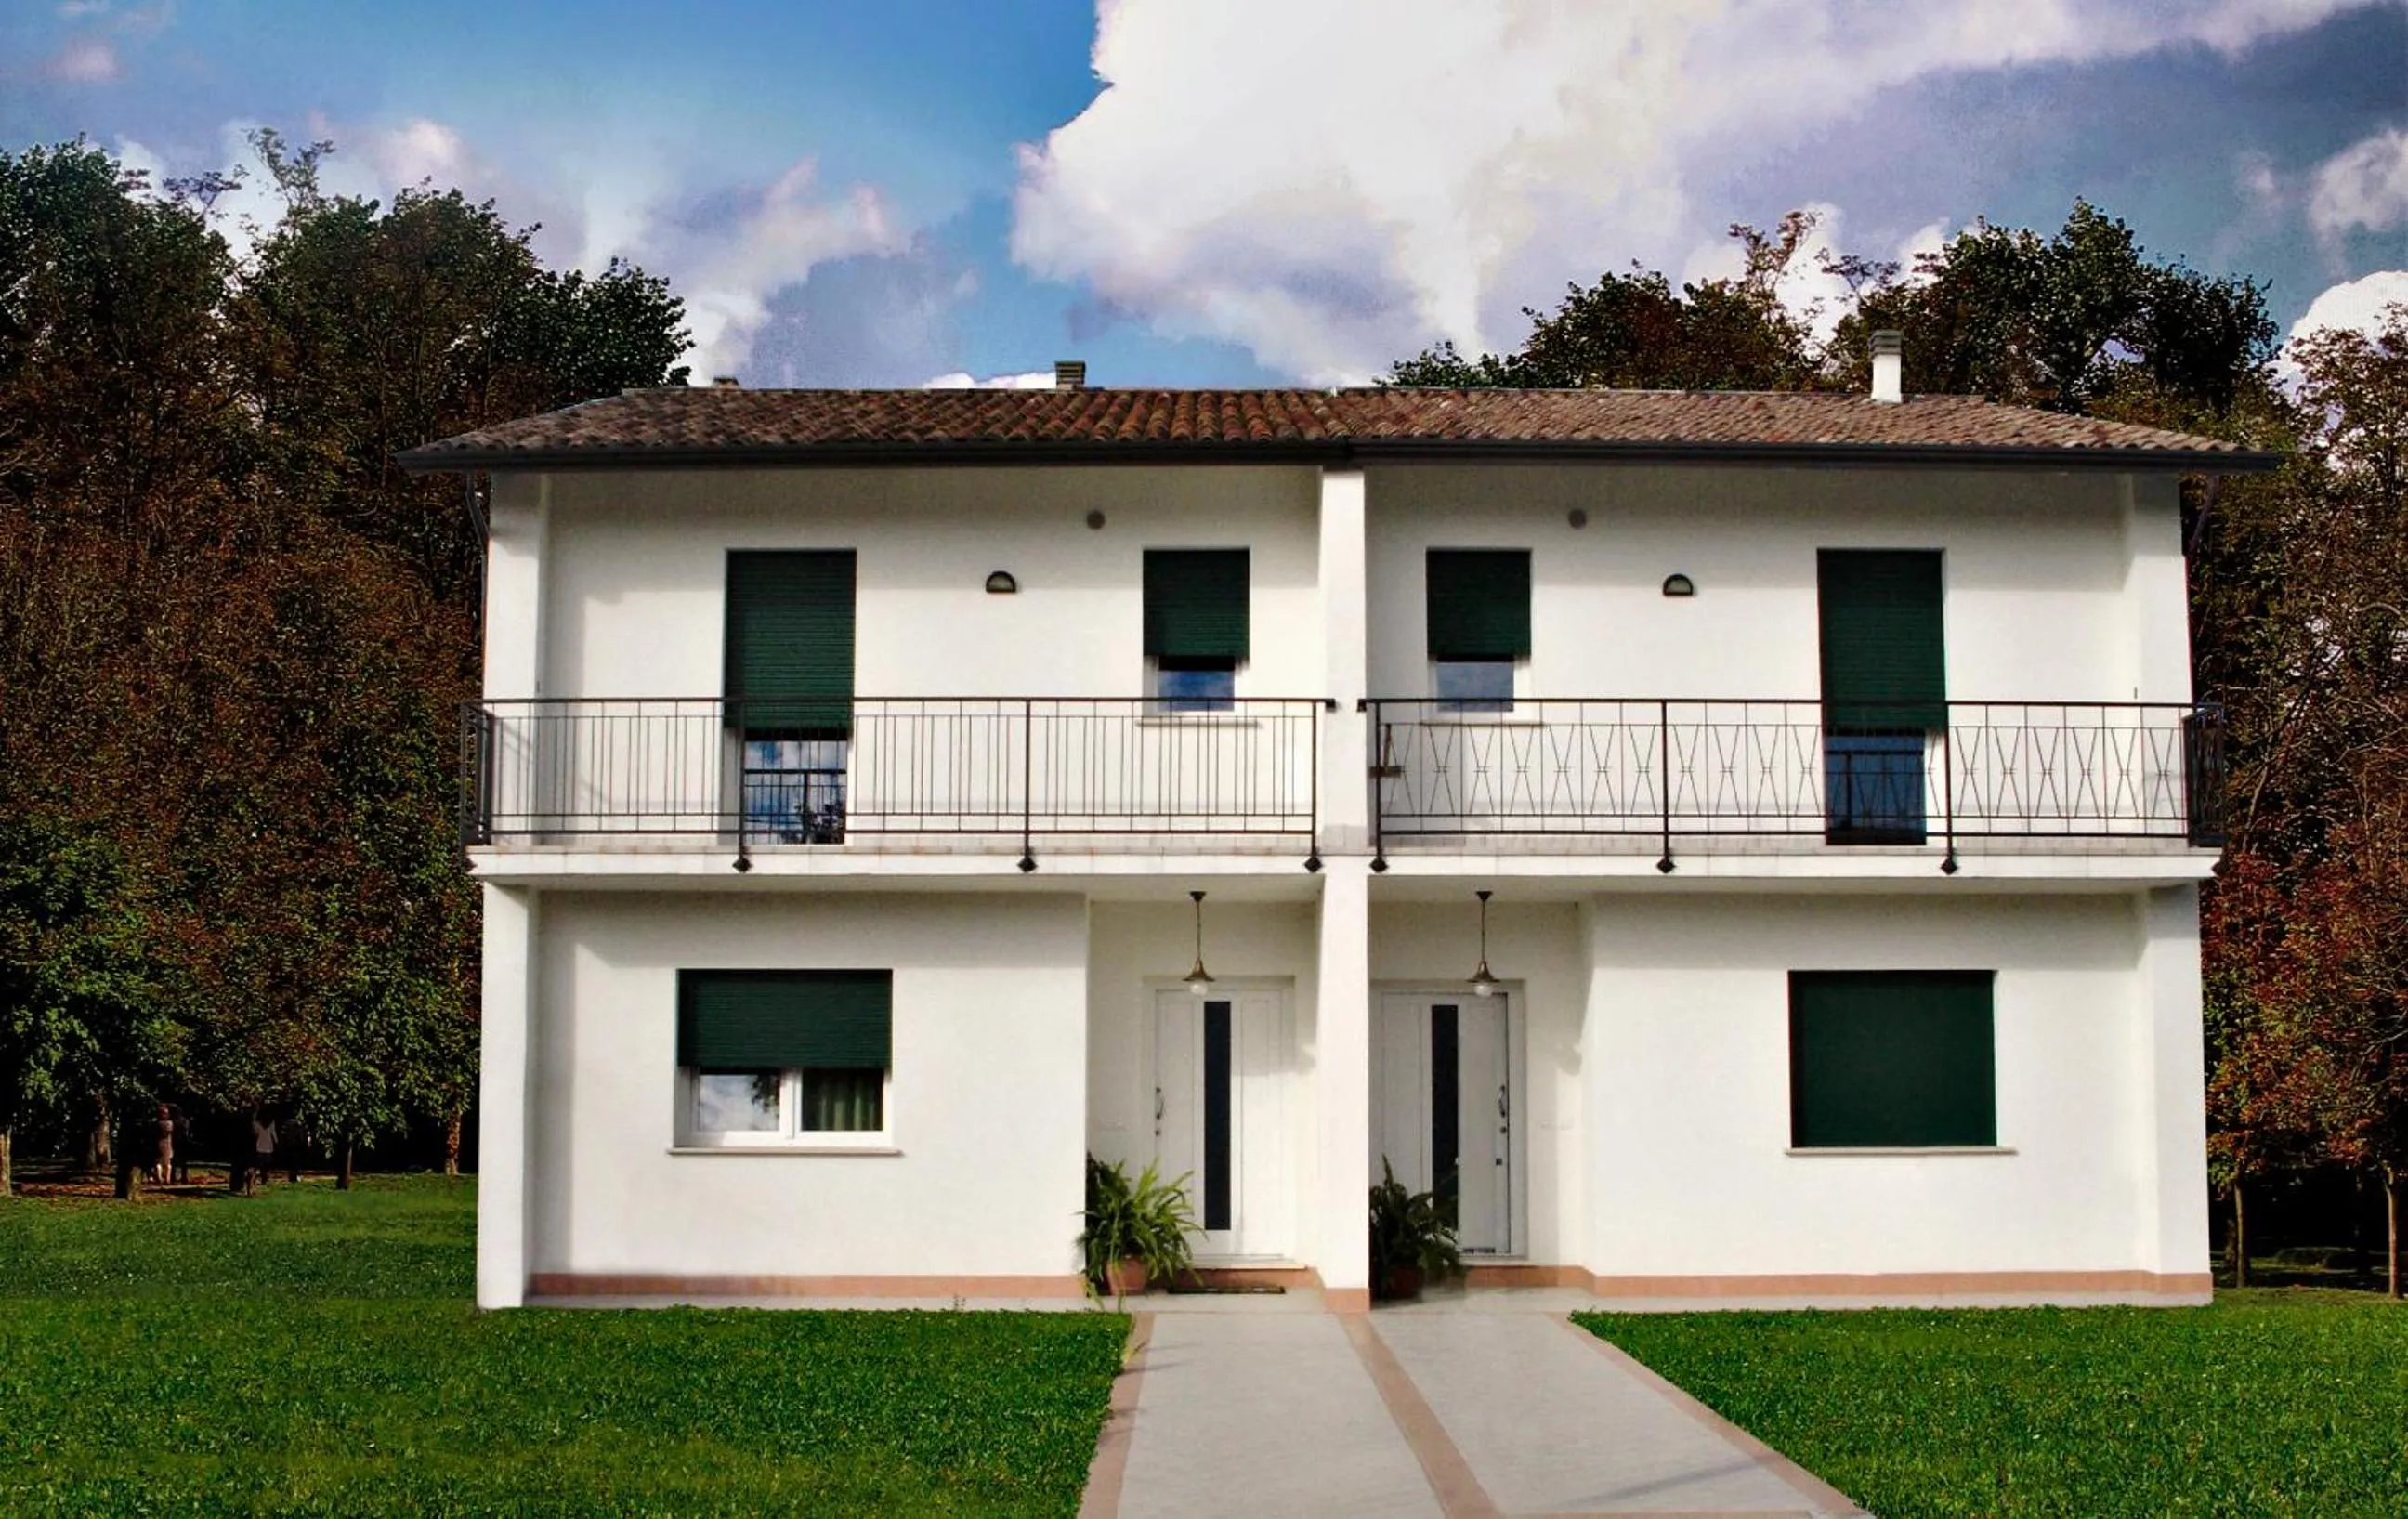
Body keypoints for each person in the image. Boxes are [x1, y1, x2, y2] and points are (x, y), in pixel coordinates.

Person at [250, 1111, 278, 1190]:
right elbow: (274, 1134)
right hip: (269, 1148)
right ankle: (264, 1180)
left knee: (257, 1167)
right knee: (266, 1167)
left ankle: (254, 1181)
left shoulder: (257, 1124)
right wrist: (276, 1142)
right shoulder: (271, 1123)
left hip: (260, 1147)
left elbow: (254, 1130)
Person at [150, 1103, 175, 1186]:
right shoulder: (170, 1124)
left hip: (158, 1144)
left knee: (158, 1163)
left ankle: (159, 1178)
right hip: (168, 1144)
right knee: (168, 1163)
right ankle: (168, 1179)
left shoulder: (156, 1124)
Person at [171, 1107, 193, 1185]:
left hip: (174, 1141)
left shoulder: (173, 1121)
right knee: (184, 1161)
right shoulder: (185, 1121)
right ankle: (184, 1178)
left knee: (174, 1160)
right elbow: (186, 1130)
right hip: (184, 1142)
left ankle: (172, 1177)